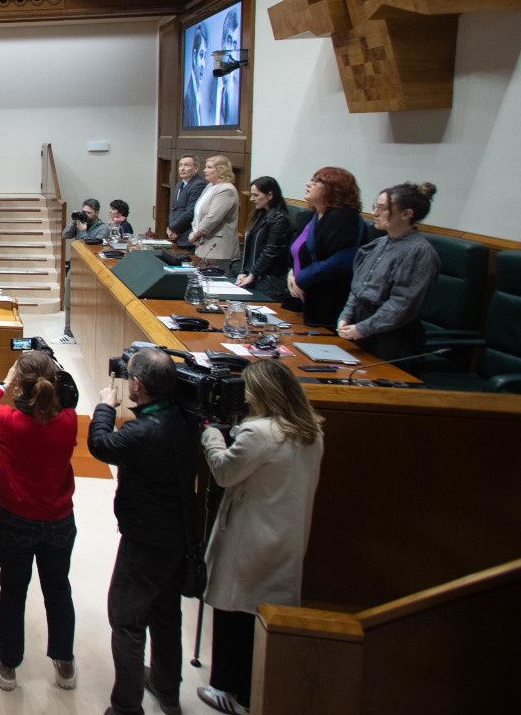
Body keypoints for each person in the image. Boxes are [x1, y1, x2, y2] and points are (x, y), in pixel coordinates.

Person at [196, 360, 324, 715]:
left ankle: (225, 687)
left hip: (250, 535)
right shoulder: (311, 429)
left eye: (249, 390)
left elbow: (223, 472)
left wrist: (211, 435)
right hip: (287, 534)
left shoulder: (259, 434)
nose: (246, 397)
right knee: (261, 616)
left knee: (233, 608)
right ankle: (254, 693)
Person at [87, 348, 200, 715]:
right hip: (176, 535)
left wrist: (105, 407)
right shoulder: (186, 417)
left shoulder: (142, 432)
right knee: (166, 614)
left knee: (127, 620)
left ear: (136, 385)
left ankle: (125, 707)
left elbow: (101, 444)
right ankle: (168, 691)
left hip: (145, 540)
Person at [0, 350, 79, 695]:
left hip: (16, 520)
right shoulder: (69, 420)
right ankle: (64, 664)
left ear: (20, 382)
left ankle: (8, 665)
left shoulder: (8, 421)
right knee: (59, 590)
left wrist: (5, 383)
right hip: (60, 520)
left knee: (13, 593)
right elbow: (65, 399)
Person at [337, 182, 442, 365]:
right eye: (375, 207)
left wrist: (363, 328)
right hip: (363, 326)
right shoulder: (377, 244)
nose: (375, 213)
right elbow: (358, 289)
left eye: (382, 208)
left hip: (393, 337)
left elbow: (402, 304)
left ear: (406, 214)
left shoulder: (419, 251)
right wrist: (346, 316)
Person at [284, 166, 366, 328]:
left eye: (316, 181)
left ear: (334, 189)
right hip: (304, 298)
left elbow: (343, 261)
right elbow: (299, 251)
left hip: (330, 302)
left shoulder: (343, 218)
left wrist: (303, 278)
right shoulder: (313, 215)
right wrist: (292, 273)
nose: (308, 184)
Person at [235, 176, 293, 301]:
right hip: (254, 276)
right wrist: (243, 271)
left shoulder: (280, 218)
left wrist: (253, 274)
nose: (251, 199)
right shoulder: (261, 214)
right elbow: (249, 248)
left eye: (255, 195)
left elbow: (270, 250)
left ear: (270, 195)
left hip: (268, 280)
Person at [189, 154, 240, 271]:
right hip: (203, 243)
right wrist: (194, 229)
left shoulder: (226, 189)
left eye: (209, 167)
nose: (205, 170)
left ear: (221, 170)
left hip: (218, 247)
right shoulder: (209, 187)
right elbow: (198, 213)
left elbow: (213, 217)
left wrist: (196, 234)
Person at [167, 154, 207, 247]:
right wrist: (171, 227)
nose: (182, 168)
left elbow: (190, 212)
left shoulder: (198, 185)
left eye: (187, 165)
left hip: (188, 235)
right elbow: (174, 208)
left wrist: (174, 228)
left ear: (196, 169)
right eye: (180, 165)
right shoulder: (179, 184)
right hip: (177, 233)